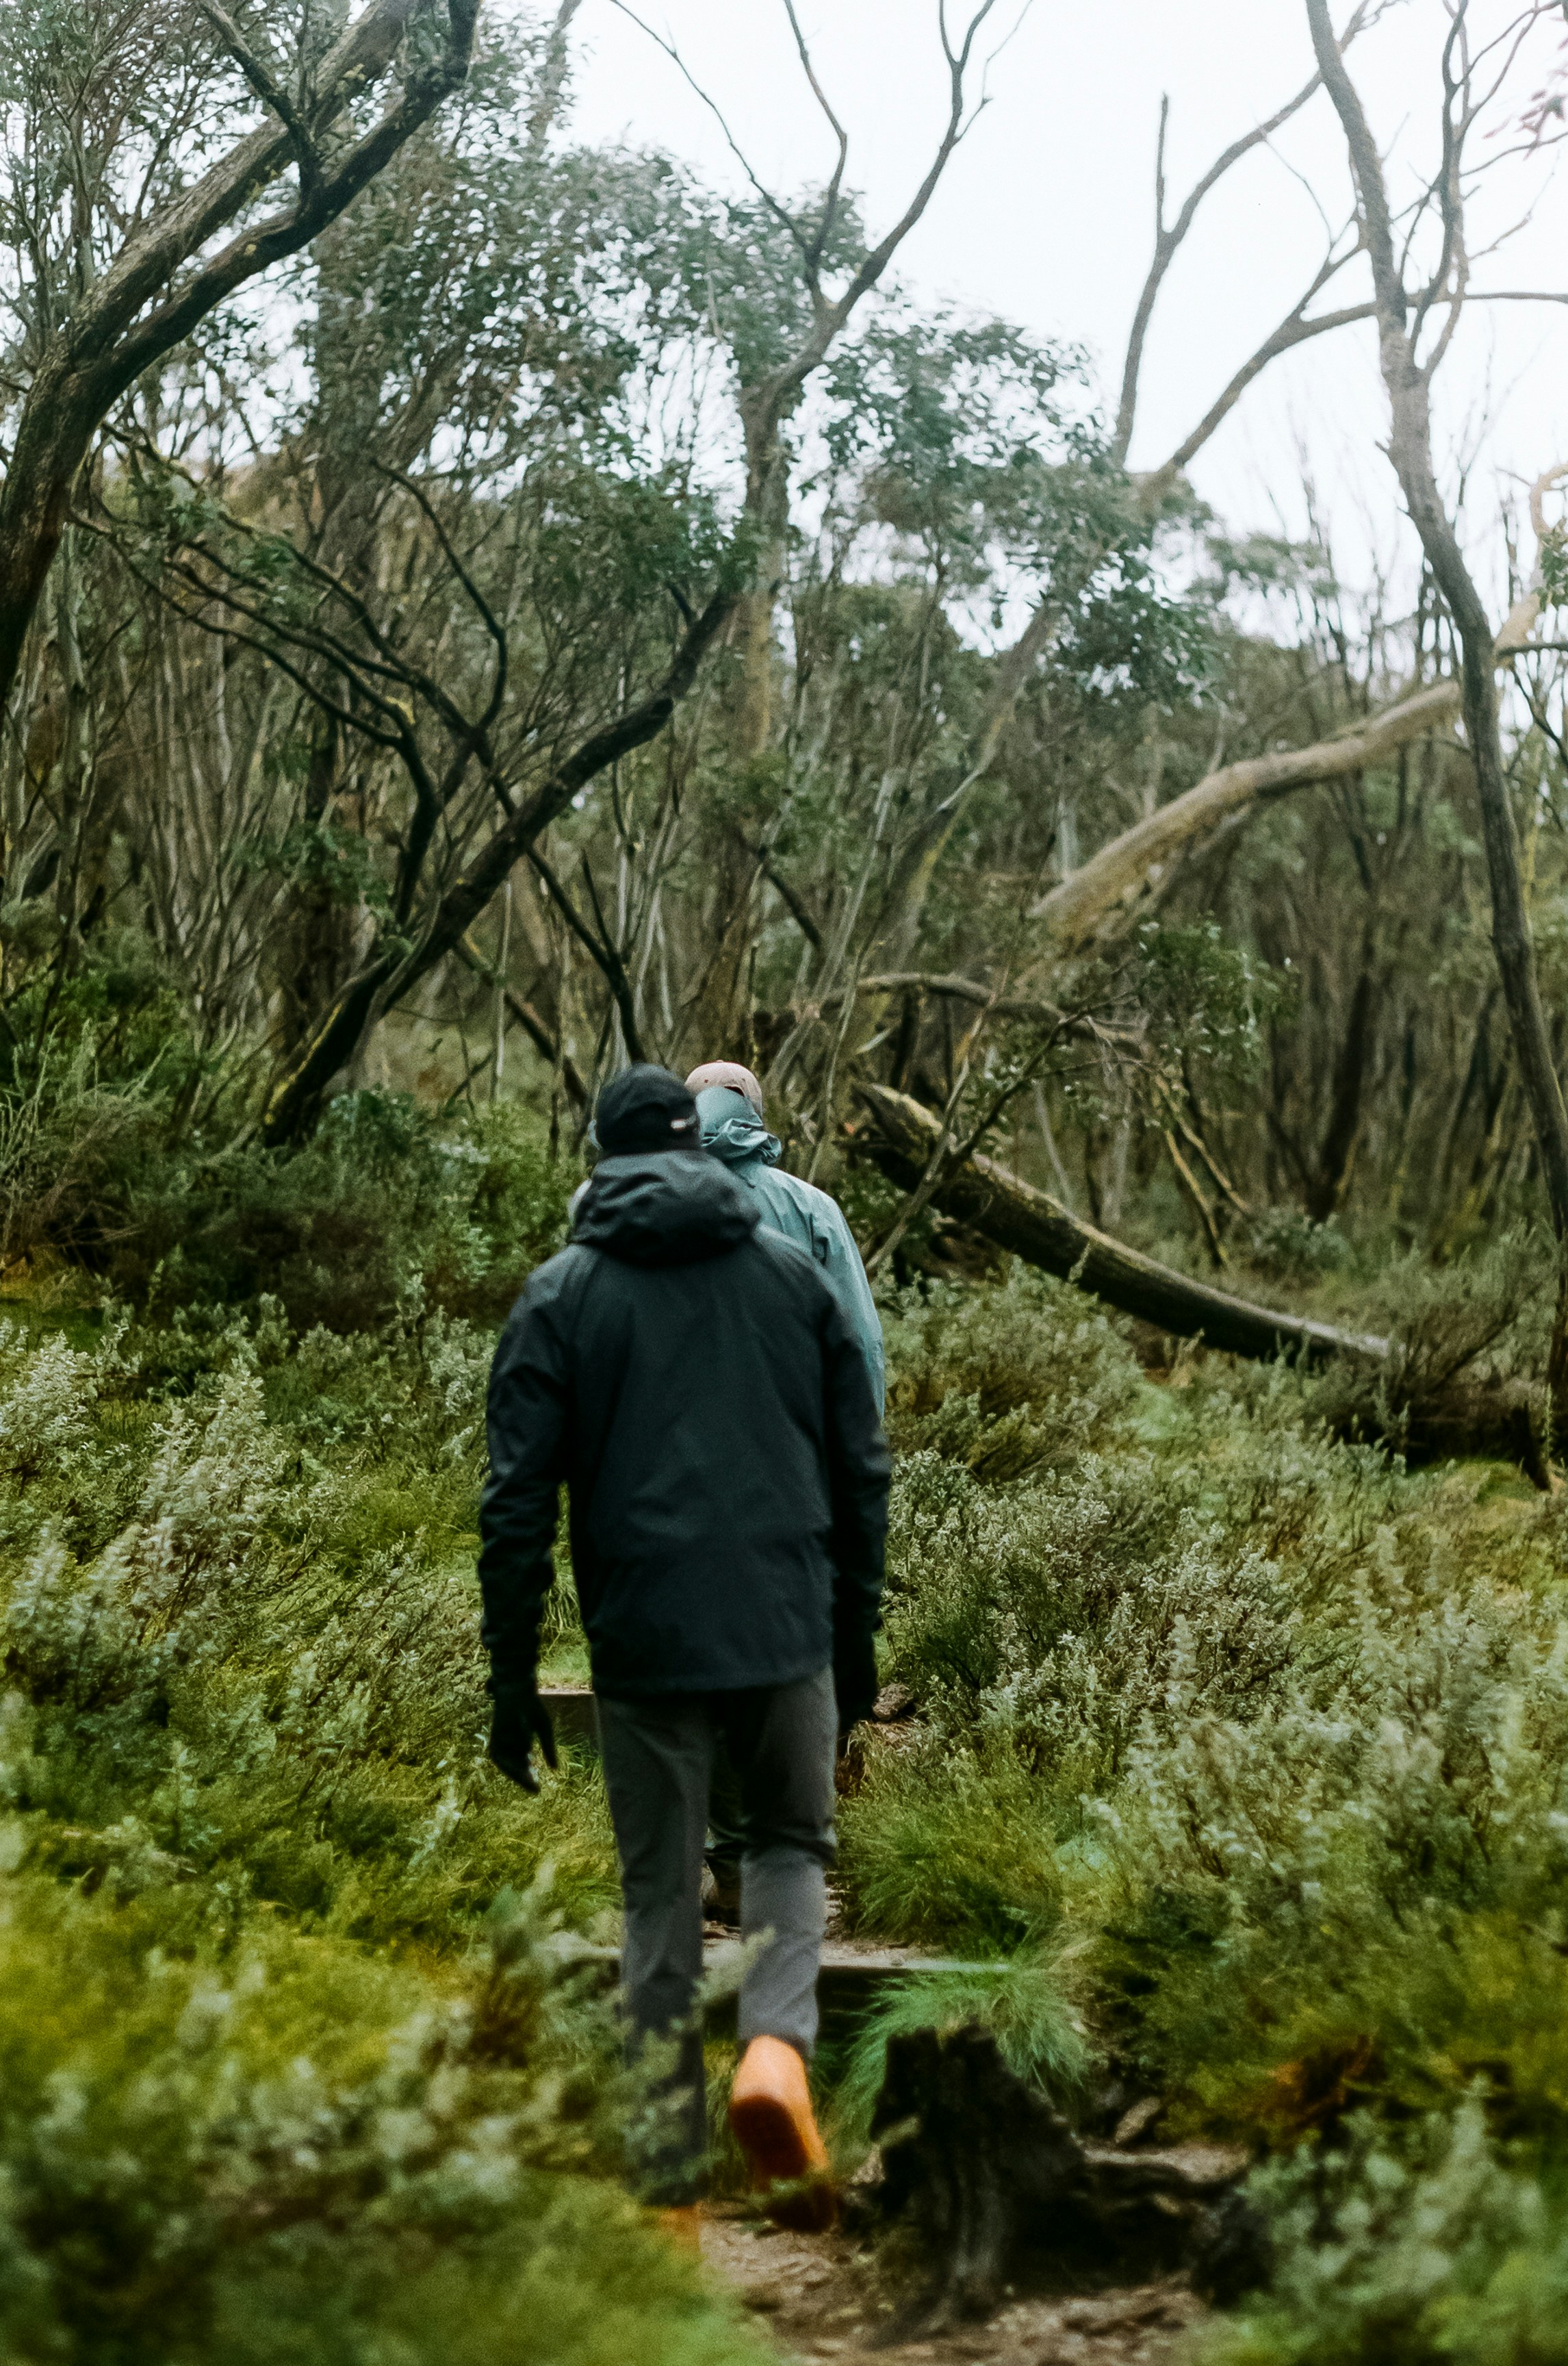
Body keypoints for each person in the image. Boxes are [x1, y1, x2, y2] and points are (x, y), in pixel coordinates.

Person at [478, 1064, 890, 2219]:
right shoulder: (793, 1269)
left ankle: (668, 2190)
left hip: (644, 1637)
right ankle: (774, 2055)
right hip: (784, 1616)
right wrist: (852, 1637)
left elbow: (515, 1507)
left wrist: (513, 1676)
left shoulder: (561, 1295)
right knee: (788, 1848)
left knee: (658, 1895)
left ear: (605, 1157)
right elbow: (861, 1466)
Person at [686, 1060, 885, 1416]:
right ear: (757, 1115)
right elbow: (859, 1340)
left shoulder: (655, 1203)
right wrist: (862, 1445)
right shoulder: (814, 1208)